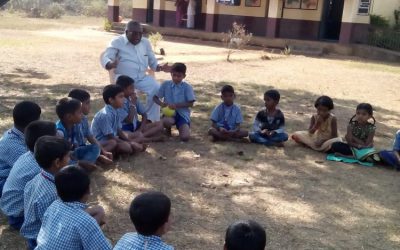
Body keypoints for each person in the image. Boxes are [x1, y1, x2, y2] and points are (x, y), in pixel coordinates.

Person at [101, 21, 171, 122]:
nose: (138, 36)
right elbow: (106, 56)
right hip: (123, 80)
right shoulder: (117, 42)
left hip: (141, 77)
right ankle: (127, 122)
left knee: (156, 88)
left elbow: (152, 60)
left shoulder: (145, 42)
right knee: (125, 96)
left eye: (140, 33)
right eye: (134, 33)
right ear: (126, 32)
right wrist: (110, 64)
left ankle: (150, 120)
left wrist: (160, 67)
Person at [35, 166, 112, 250]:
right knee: (107, 241)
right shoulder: (86, 221)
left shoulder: (53, 206)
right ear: (88, 191)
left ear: (56, 191)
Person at [0, 121, 56, 230]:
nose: (60, 137)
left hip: (12, 209)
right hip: (20, 217)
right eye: (56, 136)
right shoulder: (41, 168)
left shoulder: (28, 155)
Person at [20, 136, 71, 250]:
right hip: (39, 239)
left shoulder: (37, 178)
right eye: (67, 156)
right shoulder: (52, 193)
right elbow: (51, 226)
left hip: (33, 232)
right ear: (57, 162)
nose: (70, 159)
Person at [0, 101, 41, 196]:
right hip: (3, 181)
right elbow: (33, 168)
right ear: (34, 122)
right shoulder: (14, 146)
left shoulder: (18, 134)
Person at [91, 85, 145, 156]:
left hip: (112, 139)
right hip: (103, 142)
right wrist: (130, 143)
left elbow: (118, 130)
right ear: (111, 100)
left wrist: (129, 141)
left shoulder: (115, 111)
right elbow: (110, 136)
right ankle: (100, 154)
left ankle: (117, 151)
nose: (124, 99)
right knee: (126, 147)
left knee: (137, 136)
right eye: (120, 97)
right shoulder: (105, 114)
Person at [68, 89, 114, 165]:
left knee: (100, 146)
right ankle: (89, 161)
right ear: (78, 104)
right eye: (87, 103)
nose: (90, 106)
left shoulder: (84, 119)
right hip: (73, 152)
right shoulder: (71, 122)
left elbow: (91, 137)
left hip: (83, 148)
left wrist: (103, 151)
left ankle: (95, 158)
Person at [56, 97, 103, 171]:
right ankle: (83, 166)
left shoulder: (74, 124)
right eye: (79, 112)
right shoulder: (59, 132)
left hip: (73, 153)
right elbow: (60, 156)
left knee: (95, 147)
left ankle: (84, 165)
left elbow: (78, 145)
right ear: (69, 117)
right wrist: (80, 162)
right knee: (69, 165)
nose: (82, 115)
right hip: (64, 158)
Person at [153, 63, 196, 142]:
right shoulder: (166, 84)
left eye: (179, 76)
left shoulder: (187, 87)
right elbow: (155, 98)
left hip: (182, 114)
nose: (176, 78)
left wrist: (177, 105)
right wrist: (162, 104)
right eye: (174, 75)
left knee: (185, 137)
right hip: (169, 114)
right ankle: (167, 129)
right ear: (171, 74)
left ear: (184, 76)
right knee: (167, 121)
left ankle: (182, 126)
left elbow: (191, 103)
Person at [116, 75, 164, 142]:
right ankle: (149, 139)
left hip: (136, 125)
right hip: (125, 128)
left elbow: (144, 114)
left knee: (160, 125)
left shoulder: (134, 98)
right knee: (126, 136)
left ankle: (140, 136)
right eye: (131, 88)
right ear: (123, 89)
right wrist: (132, 104)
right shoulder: (119, 102)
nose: (133, 90)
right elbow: (129, 120)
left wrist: (141, 129)